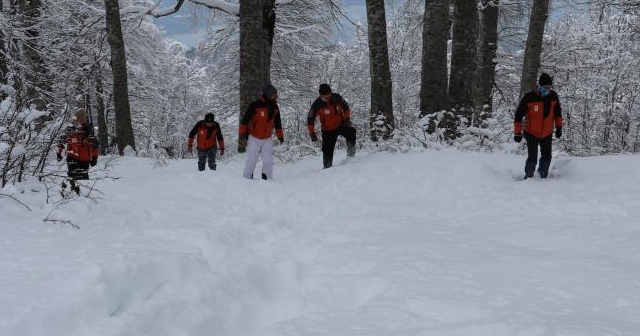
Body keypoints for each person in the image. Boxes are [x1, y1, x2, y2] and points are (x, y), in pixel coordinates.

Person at [513, 73, 563, 179]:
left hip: (547, 133)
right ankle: (529, 176)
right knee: (532, 157)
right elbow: (518, 116)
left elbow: (558, 114)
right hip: (531, 132)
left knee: (547, 157)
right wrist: (517, 133)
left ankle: (543, 174)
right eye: (545, 88)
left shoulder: (553, 96)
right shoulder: (529, 97)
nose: (548, 90)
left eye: (549, 88)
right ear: (539, 86)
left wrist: (559, 128)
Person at [238, 83, 284, 180]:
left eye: (276, 94)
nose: (276, 96)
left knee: (268, 160)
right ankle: (246, 178)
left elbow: (278, 123)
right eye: (273, 94)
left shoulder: (275, 107)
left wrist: (280, 136)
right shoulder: (255, 105)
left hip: (267, 138)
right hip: (254, 137)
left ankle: (267, 178)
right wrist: (242, 133)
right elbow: (245, 120)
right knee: (252, 160)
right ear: (267, 95)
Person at [307, 83, 356, 168]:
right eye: (324, 95)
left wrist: (347, 119)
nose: (327, 97)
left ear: (331, 92)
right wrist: (312, 133)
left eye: (328, 94)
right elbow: (310, 119)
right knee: (327, 150)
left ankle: (351, 155)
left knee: (351, 132)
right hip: (328, 130)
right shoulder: (317, 104)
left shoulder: (337, 97)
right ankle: (327, 167)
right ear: (321, 95)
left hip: (341, 124)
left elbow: (346, 107)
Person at [56, 108, 99, 194]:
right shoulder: (70, 130)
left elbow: (94, 146)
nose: (82, 120)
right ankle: (72, 193)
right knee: (74, 177)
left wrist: (94, 157)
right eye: (80, 118)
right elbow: (61, 143)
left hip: (85, 159)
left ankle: (82, 197)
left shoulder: (89, 131)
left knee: (84, 180)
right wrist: (59, 153)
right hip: (72, 158)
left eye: (84, 118)